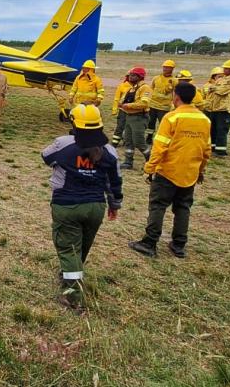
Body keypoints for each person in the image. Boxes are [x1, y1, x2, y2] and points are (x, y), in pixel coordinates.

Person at [41, 104, 122, 311]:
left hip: (67, 206)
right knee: (81, 247)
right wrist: (115, 204)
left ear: (74, 124)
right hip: (96, 207)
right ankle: (70, 274)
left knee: (69, 249)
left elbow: (46, 157)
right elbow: (115, 181)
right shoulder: (110, 151)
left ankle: (73, 297)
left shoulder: (63, 143)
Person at [128, 82, 210, 258]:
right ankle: (179, 245)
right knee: (183, 208)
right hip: (190, 173)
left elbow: (160, 147)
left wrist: (149, 168)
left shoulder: (172, 118)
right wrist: (200, 170)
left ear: (176, 97)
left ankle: (149, 243)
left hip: (168, 172)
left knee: (158, 206)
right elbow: (206, 150)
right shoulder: (204, 120)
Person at [117, 67, 151, 170]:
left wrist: (128, 106)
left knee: (139, 141)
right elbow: (122, 102)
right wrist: (121, 104)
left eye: (133, 75)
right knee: (128, 140)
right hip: (129, 117)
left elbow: (144, 103)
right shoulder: (131, 89)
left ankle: (151, 161)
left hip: (139, 117)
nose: (130, 77)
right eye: (130, 75)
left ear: (140, 77)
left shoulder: (145, 88)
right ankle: (128, 162)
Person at [206, 59, 230, 155]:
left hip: (224, 110)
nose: (224, 70)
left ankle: (221, 151)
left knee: (221, 130)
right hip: (214, 108)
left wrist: (214, 88)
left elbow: (222, 91)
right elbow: (211, 89)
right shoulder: (222, 79)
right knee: (213, 129)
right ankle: (212, 148)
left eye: (226, 68)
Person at [146, 60, 177, 143]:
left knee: (163, 124)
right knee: (150, 123)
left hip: (164, 107)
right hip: (152, 105)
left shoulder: (174, 80)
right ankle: (149, 137)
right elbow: (150, 89)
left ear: (172, 69)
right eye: (164, 67)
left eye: (168, 67)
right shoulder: (156, 78)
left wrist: (173, 104)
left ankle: (161, 139)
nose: (165, 69)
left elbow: (176, 93)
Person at [109, 71, 132, 146]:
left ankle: (127, 141)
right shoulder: (122, 86)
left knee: (130, 127)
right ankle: (115, 143)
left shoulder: (138, 86)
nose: (131, 78)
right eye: (130, 76)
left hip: (133, 111)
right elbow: (117, 98)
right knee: (120, 126)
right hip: (123, 110)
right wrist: (114, 110)